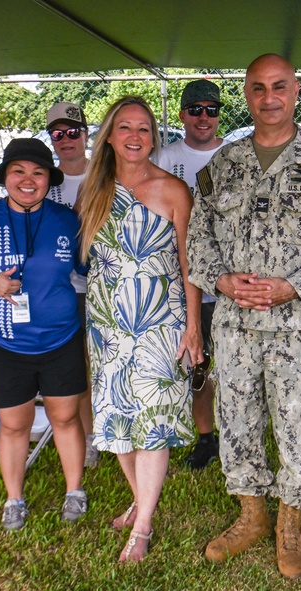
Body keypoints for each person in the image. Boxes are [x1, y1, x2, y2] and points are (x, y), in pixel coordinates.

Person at [187, 54, 301, 579]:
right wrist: (219, 280)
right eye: (258, 88)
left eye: (279, 86)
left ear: (295, 89)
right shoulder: (223, 165)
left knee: (300, 424)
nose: (269, 98)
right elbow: (197, 239)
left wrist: (293, 286)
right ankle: (251, 515)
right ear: (246, 93)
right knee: (236, 420)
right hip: (235, 326)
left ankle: (290, 521)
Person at [77, 96, 202, 562]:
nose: (135, 136)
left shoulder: (172, 191)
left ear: (154, 137)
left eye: (144, 128)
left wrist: (193, 326)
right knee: (119, 420)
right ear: (109, 135)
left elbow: (190, 265)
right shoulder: (93, 191)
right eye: (125, 127)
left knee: (153, 424)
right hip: (107, 324)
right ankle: (140, 497)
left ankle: (144, 523)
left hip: (160, 323)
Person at [0, 138, 88, 531]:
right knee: (13, 423)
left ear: (48, 179)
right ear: (5, 177)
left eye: (38, 173)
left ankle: (74, 491)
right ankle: (14, 499)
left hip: (61, 338)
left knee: (65, 416)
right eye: (19, 172)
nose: (28, 180)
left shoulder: (65, 219)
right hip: (5, 343)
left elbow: (87, 264)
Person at [153, 79, 227, 470]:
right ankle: (204, 438)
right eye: (195, 109)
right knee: (195, 367)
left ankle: (235, 435)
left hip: (227, 285)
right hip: (179, 282)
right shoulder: (165, 158)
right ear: (182, 114)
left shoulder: (235, 156)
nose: (203, 117)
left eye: (211, 110)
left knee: (232, 366)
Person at [44, 101, 97, 463]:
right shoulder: (45, 181)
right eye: (58, 134)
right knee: (77, 363)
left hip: (108, 284)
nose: (66, 140)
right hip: (65, 289)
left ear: (86, 134)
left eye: (73, 132)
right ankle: (89, 435)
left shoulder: (106, 174)